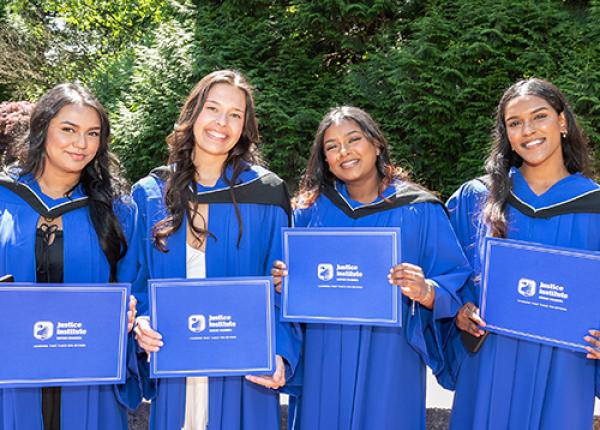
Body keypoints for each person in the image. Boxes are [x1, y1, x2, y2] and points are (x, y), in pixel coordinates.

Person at [271, 106, 470, 429]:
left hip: (391, 357)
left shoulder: (419, 210)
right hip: (325, 356)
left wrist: (426, 291)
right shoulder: (308, 213)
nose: (344, 152)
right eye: (331, 147)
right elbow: (288, 291)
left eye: (353, 139)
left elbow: (455, 284)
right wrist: (283, 281)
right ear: (324, 159)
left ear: (376, 144)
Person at [132, 69, 301, 430]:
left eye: (235, 114)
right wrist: (141, 322)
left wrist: (280, 349)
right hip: (175, 361)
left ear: (245, 126)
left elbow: (284, 284)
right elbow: (137, 280)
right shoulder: (150, 193)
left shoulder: (267, 194)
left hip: (245, 369)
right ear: (193, 113)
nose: (222, 123)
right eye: (212, 108)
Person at [445, 78, 600, 429]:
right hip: (489, 364)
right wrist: (459, 310)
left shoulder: (595, 207)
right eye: (515, 123)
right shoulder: (477, 197)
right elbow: (448, 276)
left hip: (565, 369)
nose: (528, 130)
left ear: (562, 122)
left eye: (539, 116)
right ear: (506, 134)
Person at [0, 83, 141, 429]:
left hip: (90, 378)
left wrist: (132, 312)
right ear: (41, 128)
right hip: (11, 379)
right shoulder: (4, 198)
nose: (81, 143)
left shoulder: (117, 211)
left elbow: (133, 283)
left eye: (93, 133)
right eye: (68, 129)